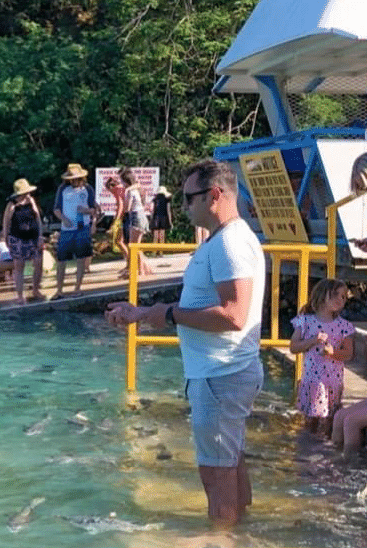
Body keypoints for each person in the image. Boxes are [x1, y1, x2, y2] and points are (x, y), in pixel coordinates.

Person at [105, 159, 265, 528]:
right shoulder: (227, 240)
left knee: (216, 473)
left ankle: (222, 535)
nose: (183, 207)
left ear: (214, 195)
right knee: (230, 462)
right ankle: (242, 530)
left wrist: (167, 313)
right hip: (224, 372)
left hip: (220, 374)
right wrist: (143, 313)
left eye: (188, 198)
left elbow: (233, 315)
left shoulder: (229, 244)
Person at [290, 278, 355, 437]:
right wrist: (313, 341)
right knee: (310, 421)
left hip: (333, 382)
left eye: (343, 297)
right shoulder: (305, 322)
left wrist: (332, 352)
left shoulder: (344, 326)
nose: (340, 299)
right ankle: (307, 447)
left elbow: (348, 353)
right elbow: (293, 348)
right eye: (336, 295)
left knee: (330, 421)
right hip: (312, 380)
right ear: (321, 296)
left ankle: (324, 447)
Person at [52, 163, 98, 300]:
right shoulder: (63, 189)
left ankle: (77, 287)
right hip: (67, 229)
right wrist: (64, 219)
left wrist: (87, 213)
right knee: (61, 259)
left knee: (81, 259)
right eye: (71, 179)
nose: (73, 181)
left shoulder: (88, 189)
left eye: (76, 179)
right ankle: (59, 290)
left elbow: (94, 209)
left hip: (82, 227)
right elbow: (56, 209)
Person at [2, 178, 44, 304]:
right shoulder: (12, 204)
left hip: (34, 236)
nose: (26, 194)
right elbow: (6, 222)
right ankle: (20, 295)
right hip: (17, 238)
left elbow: (37, 218)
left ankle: (35, 290)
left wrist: (40, 235)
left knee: (38, 264)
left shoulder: (31, 200)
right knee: (19, 267)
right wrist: (6, 239)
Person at [121, 167, 153, 277]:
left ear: (125, 181)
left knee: (134, 246)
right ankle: (144, 269)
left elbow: (128, 208)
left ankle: (140, 271)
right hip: (142, 216)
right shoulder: (137, 190)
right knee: (137, 246)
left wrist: (124, 201)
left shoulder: (130, 191)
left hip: (136, 217)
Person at [104, 175, 129, 261]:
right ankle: (128, 261)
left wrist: (117, 219)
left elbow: (120, 205)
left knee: (119, 241)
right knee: (122, 241)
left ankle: (130, 261)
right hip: (125, 216)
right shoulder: (122, 188)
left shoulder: (117, 190)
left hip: (122, 217)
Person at [150, 185, 173, 255]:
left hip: (156, 217)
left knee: (155, 235)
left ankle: (154, 251)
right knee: (162, 235)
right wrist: (170, 221)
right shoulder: (167, 200)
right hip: (163, 218)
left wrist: (151, 220)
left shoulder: (155, 199)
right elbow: (168, 211)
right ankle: (161, 251)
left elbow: (152, 210)